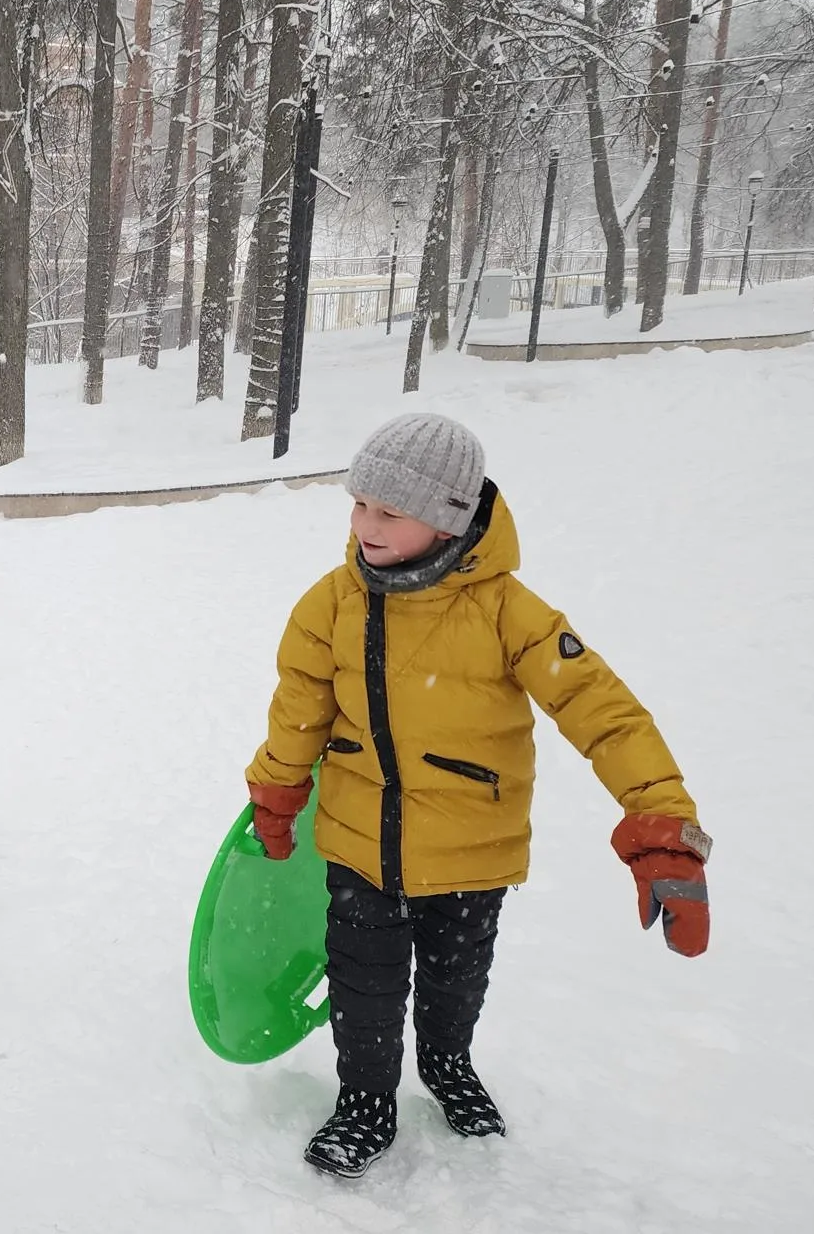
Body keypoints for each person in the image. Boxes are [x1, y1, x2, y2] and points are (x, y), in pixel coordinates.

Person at [244, 412, 710, 1178]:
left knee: (456, 979)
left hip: (471, 853)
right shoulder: (331, 604)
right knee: (362, 984)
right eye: (359, 504)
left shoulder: (508, 613)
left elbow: (605, 712)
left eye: (388, 510)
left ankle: (447, 1063)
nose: (365, 524)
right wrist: (277, 791)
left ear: (450, 517)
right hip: (360, 844)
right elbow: (299, 710)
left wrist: (662, 823)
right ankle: (365, 1100)